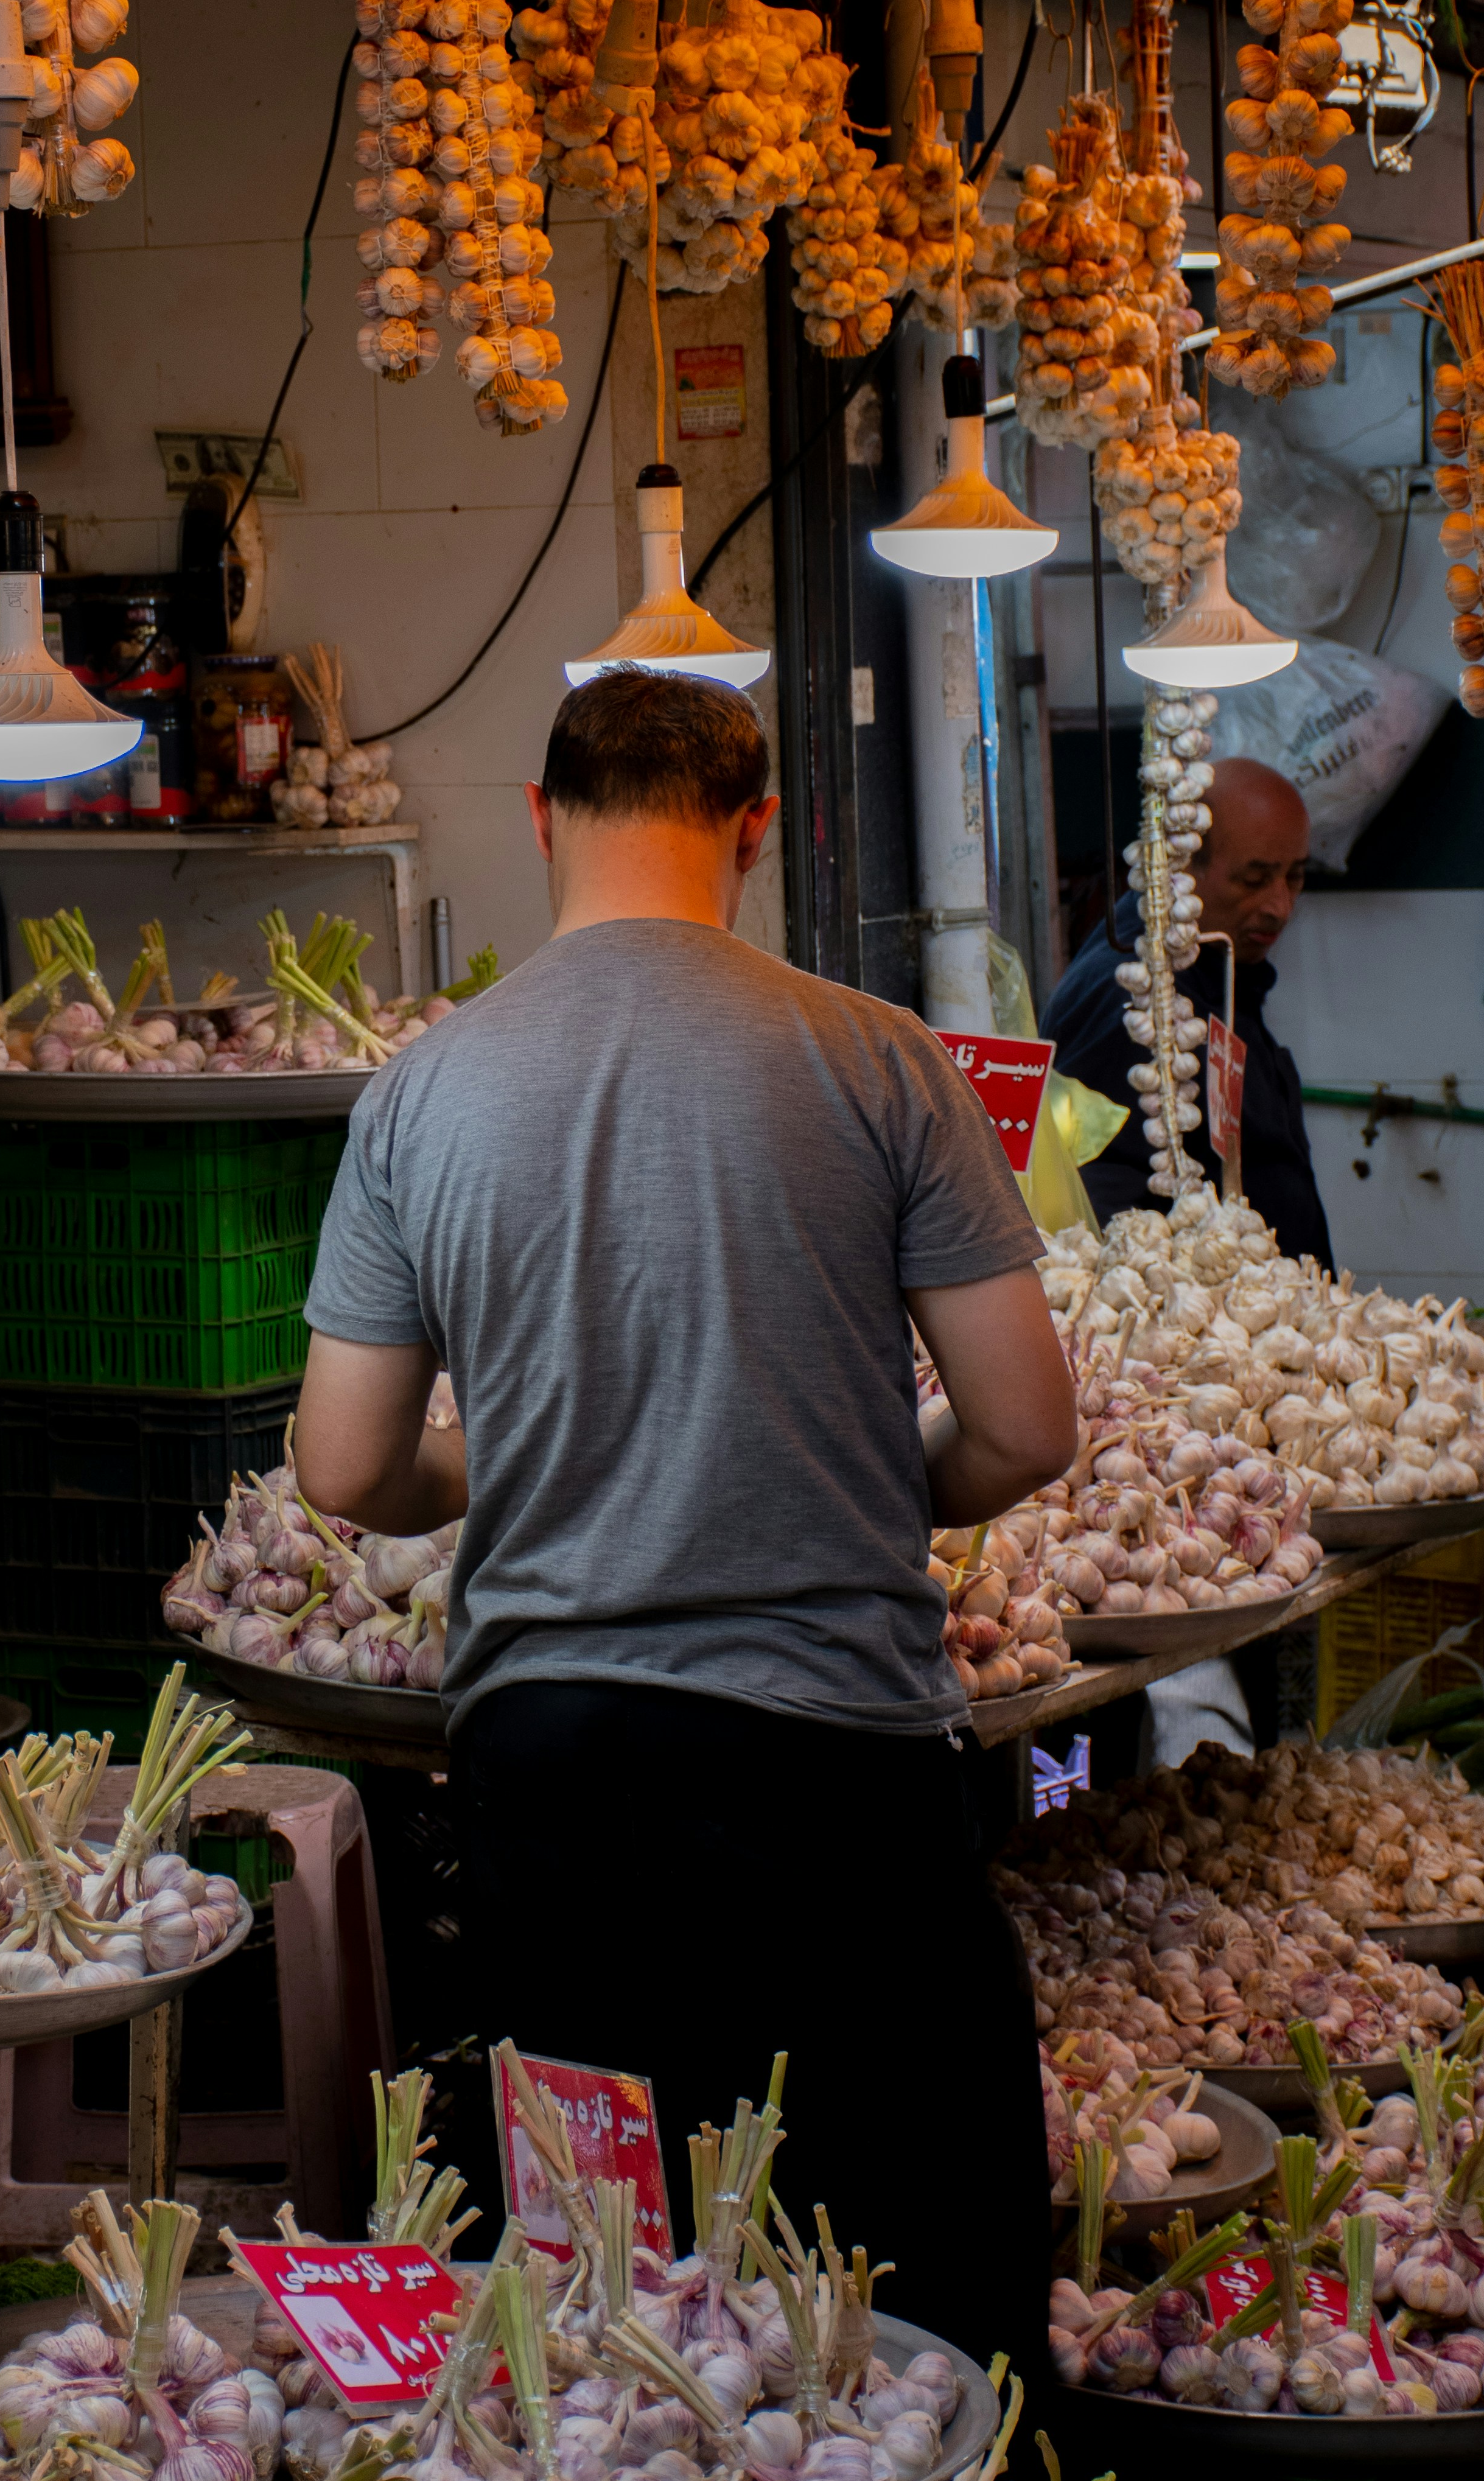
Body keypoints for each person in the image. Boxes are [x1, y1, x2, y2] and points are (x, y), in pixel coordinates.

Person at [293, 670, 1078, 2376]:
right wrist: (873, 1485)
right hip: (840, 1768)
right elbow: (1026, 1424)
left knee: (613, 2278)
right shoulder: (879, 1059)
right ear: (755, 829)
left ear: (536, 819)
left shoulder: (422, 1093)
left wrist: (514, 1470)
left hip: (552, 1773)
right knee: (916, 2253)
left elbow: (347, 1469)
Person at [1039, 755, 1330, 1268]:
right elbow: (1104, 1207)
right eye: (1254, 879)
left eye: (1295, 877)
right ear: (1177, 866)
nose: (1280, 905)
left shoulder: (1223, 969)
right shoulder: (1130, 997)